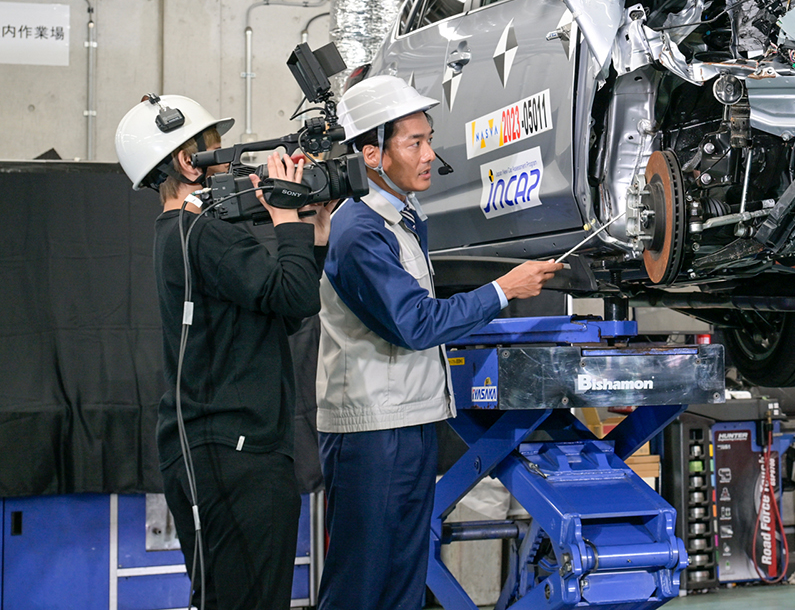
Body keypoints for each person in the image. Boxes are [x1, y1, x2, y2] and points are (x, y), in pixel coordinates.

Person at [316, 75, 560, 610]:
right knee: (360, 584)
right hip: (371, 431)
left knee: (403, 579)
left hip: (409, 420)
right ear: (372, 154)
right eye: (414, 142)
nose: (430, 154)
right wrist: (503, 290)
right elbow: (417, 323)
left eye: (429, 139)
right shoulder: (360, 230)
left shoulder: (402, 220)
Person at [114, 94, 336, 610]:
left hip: (229, 452)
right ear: (189, 161)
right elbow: (295, 296)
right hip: (234, 458)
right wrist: (286, 221)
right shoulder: (202, 237)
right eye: (219, 150)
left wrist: (313, 237)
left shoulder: (185, 236)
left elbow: (284, 311)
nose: (233, 162)